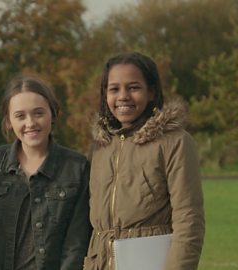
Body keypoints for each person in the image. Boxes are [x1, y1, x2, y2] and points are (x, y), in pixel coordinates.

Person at [84, 52, 205, 270]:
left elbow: (189, 220)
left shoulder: (175, 142)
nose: (123, 96)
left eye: (133, 87)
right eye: (114, 89)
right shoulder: (99, 147)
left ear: (151, 92)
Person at [0, 75, 91, 270]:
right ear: (9, 121)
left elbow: (76, 244)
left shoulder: (76, 166)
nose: (30, 123)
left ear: (52, 114)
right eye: (20, 116)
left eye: (38, 113)